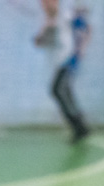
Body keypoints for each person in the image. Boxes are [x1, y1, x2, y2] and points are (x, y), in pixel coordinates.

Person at [34, 1, 91, 142]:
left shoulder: (65, 16)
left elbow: (86, 27)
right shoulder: (49, 21)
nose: (46, 7)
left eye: (49, 3)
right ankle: (80, 126)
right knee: (64, 92)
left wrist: (81, 49)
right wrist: (42, 36)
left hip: (68, 61)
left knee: (57, 90)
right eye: (44, 4)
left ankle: (79, 126)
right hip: (58, 64)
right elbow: (43, 42)